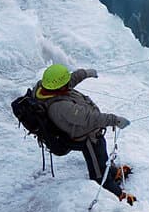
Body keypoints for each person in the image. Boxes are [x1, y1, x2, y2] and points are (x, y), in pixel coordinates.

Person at [34, 64, 135, 204]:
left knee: (101, 155)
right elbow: (90, 118)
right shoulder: (61, 107)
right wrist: (115, 120)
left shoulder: (45, 87)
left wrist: (85, 73)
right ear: (60, 88)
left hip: (89, 133)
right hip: (85, 137)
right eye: (66, 84)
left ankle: (111, 172)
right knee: (98, 173)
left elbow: (69, 80)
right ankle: (116, 195)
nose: (69, 84)